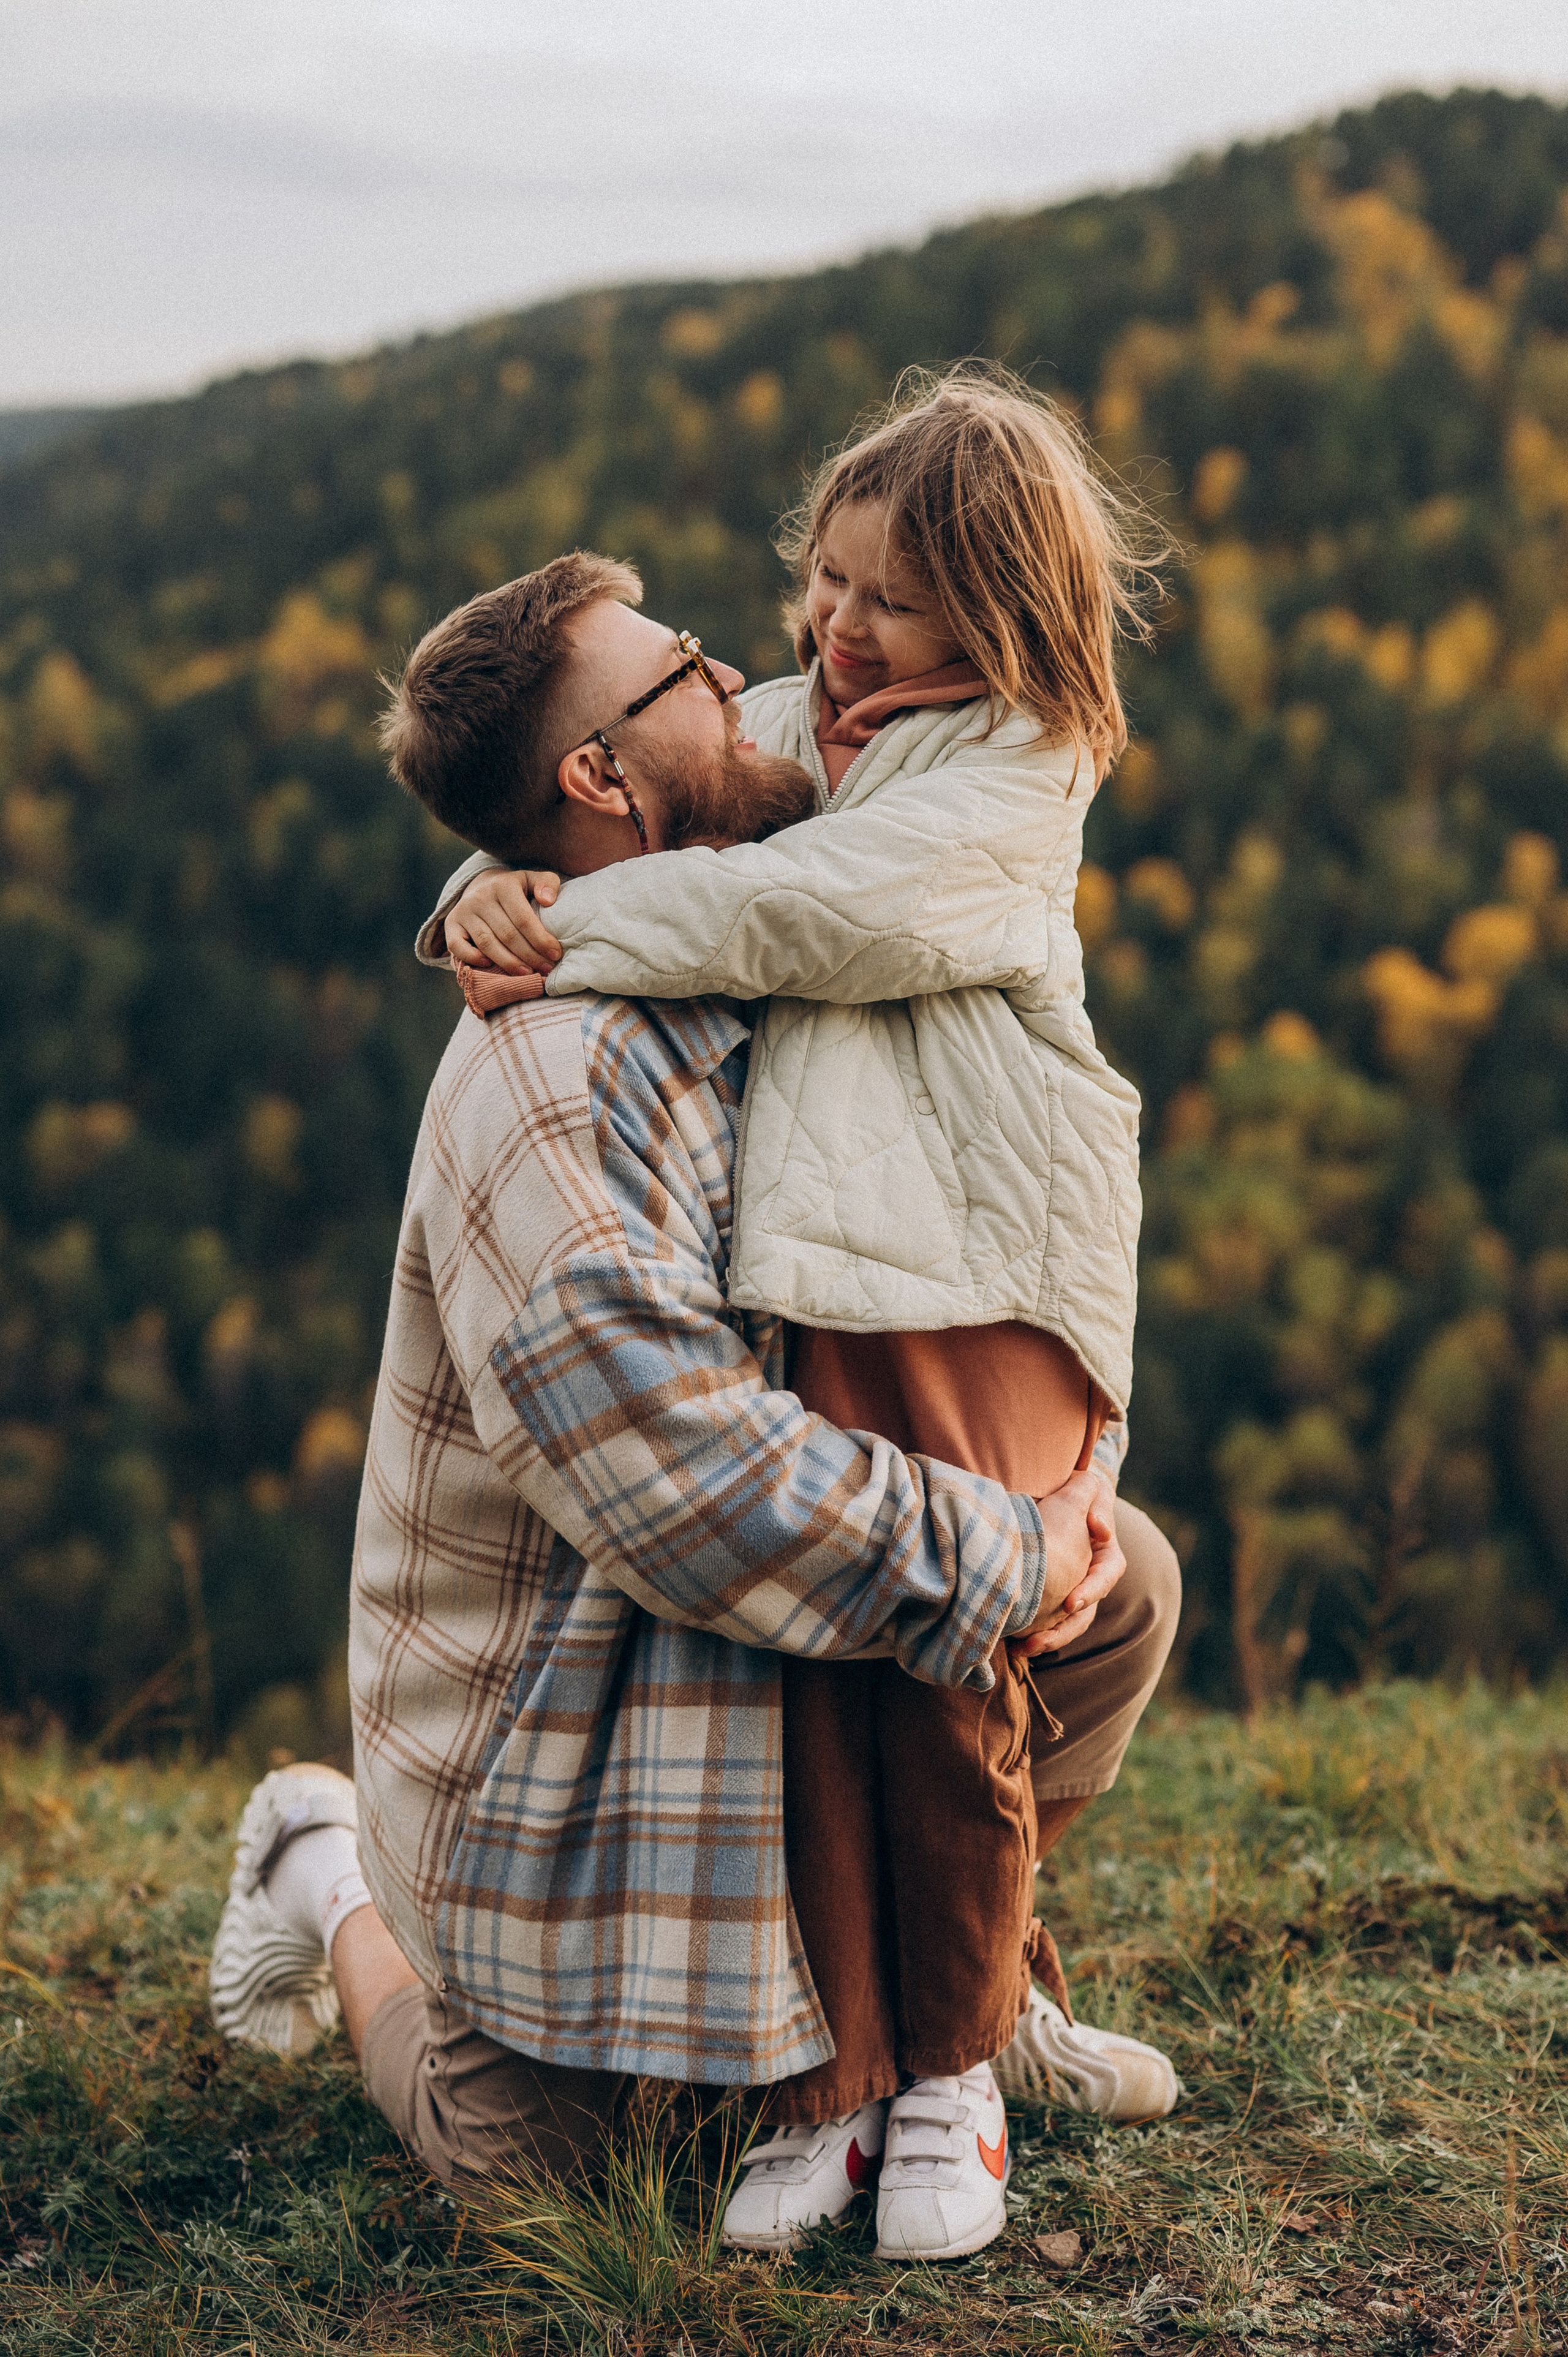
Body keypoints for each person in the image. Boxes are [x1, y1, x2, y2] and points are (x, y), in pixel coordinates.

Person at [209, 548, 1179, 2264]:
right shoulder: (552, 1089)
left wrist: (489, 883)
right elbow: (697, 1493)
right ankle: (320, 1867)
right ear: (600, 777)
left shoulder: (744, 891)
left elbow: (920, 794)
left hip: (758, 1635)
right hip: (576, 1721)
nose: (741, 677)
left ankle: (958, 1995)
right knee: (546, 2170)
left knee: (1124, 1593)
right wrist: (1005, 1550)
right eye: (685, 673)